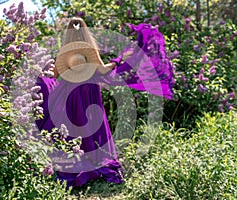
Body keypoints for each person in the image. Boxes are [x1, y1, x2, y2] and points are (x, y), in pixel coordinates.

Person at [35, 17, 174, 188]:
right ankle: (93, 162)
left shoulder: (65, 50)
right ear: (84, 30)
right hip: (88, 90)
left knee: (73, 126)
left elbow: (56, 75)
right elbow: (101, 69)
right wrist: (117, 62)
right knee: (89, 126)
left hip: (70, 91)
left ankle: (75, 164)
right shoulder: (88, 48)